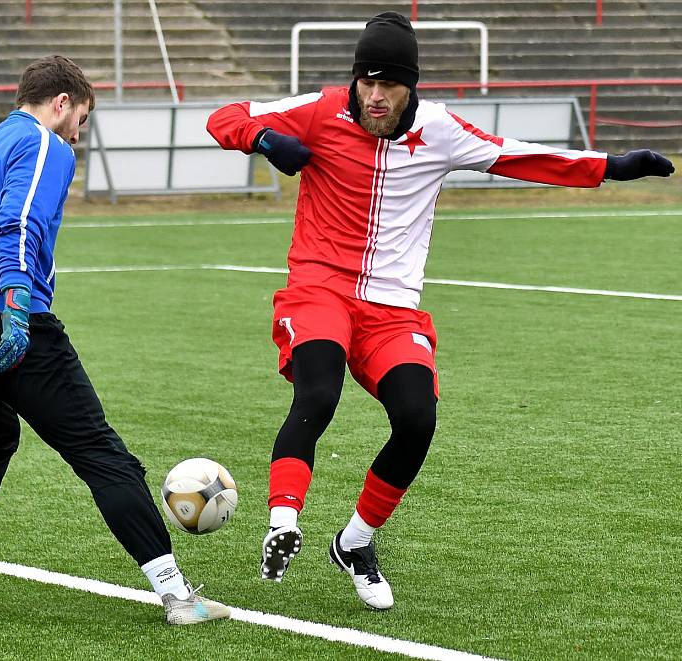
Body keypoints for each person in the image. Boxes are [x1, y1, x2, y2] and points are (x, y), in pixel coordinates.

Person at [207, 12, 675, 610]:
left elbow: (518, 156)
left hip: (393, 309)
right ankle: (282, 522)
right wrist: (265, 139)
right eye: (366, 83)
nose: (375, 97)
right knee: (318, 392)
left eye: (389, 85)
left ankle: (355, 542)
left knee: (417, 418)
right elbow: (224, 117)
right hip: (319, 290)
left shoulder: (440, 129)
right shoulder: (323, 109)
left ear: (411, 86)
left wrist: (611, 166)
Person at [0, 55, 229, 625]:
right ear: (62, 103)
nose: (80, 132)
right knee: (101, 452)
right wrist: (14, 304)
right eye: (82, 116)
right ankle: (179, 596)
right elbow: (19, 220)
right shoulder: (45, 144)